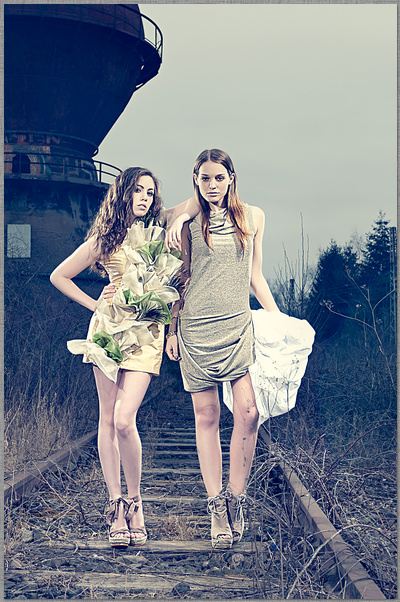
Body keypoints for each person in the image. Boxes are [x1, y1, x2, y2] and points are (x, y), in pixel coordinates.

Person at [50, 167, 198, 548]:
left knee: (123, 418)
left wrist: (186, 207)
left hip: (147, 333)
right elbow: (59, 276)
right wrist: (94, 305)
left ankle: (135, 502)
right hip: (108, 333)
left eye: (150, 191)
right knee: (106, 419)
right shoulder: (105, 238)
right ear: (123, 194)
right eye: (138, 190)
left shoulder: (160, 226)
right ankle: (115, 505)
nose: (145, 197)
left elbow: (198, 201)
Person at [164, 148, 281, 549]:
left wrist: (277, 318)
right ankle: (215, 506)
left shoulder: (254, 216)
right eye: (204, 179)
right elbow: (180, 278)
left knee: (249, 413)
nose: (212, 185)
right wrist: (172, 329)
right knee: (208, 414)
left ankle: (236, 498)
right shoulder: (189, 221)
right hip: (195, 326)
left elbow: (254, 275)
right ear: (195, 180)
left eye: (218, 178)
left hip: (236, 325)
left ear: (232, 177)